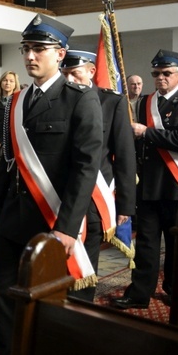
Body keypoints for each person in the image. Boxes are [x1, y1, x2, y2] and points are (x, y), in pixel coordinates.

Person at [0, 15, 103, 355]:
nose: (30, 56)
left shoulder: (80, 99)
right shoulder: (14, 102)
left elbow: (86, 168)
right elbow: (9, 162)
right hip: (12, 218)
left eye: (39, 49)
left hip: (52, 219)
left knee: (51, 300)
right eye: (26, 49)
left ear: (60, 53)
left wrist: (67, 227)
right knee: (3, 298)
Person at [111, 49, 178, 310]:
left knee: (175, 245)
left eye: (166, 73)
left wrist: (147, 132)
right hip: (149, 184)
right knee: (146, 244)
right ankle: (139, 293)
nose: (160, 78)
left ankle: (176, 291)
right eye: (156, 74)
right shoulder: (144, 103)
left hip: (175, 186)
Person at [60, 49, 136, 301]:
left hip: (94, 196)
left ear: (92, 71)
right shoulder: (57, 98)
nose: (70, 80)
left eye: (75, 73)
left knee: (83, 264)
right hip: (57, 193)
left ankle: (81, 313)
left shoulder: (111, 102)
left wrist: (125, 204)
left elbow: (124, 156)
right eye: (65, 73)